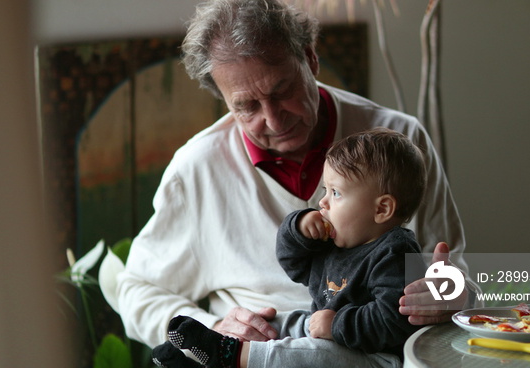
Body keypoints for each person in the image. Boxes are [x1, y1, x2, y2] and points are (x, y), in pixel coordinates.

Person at [116, 0, 477, 366]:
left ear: (310, 58)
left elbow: (454, 278)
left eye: (281, 90)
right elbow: (137, 289)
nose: (273, 120)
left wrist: (455, 296)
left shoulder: (402, 142)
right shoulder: (196, 169)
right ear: (223, 100)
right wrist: (214, 330)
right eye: (247, 107)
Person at [150, 129, 430, 368]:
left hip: (375, 357)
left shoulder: (398, 252)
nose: (323, 203)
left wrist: (336, 325)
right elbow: (294, 266)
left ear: (382, 208)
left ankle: (227, 356)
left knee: (316, 355)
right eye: (324, 190)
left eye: (336, 193)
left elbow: (393, 319)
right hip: (326, 331)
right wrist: (298, 230)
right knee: (280, 323)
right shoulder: (341, 242)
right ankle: (204, 358)